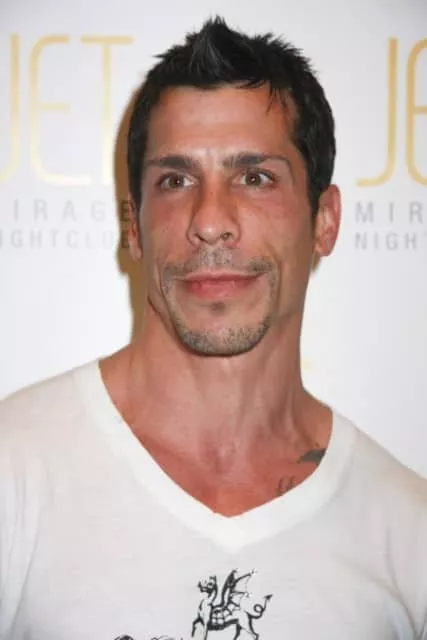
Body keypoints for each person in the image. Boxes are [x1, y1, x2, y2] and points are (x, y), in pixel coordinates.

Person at [0, 16, 426, 640]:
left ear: (325, 220)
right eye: (176, 181)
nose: (209, 221)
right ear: (134, 227)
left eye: (255, 177)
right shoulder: (14, 469)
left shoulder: (408, 533)